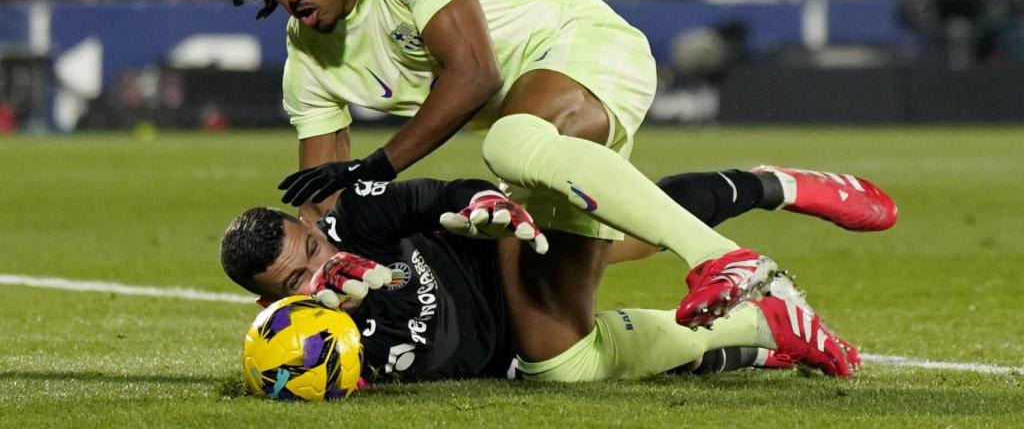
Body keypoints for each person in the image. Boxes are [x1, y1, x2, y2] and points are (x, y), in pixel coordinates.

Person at [221, 0, 896, 340]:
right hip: (537, 126)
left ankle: (722, 259)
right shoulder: (307, 59)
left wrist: (380, 166)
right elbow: (323, 206)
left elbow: (475, 74)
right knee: (556, 341)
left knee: (508, 144)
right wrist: (319, 277)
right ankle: (767, 221)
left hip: (588, 49)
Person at [221, 165, 882, 385]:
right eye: (296, 281)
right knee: (578, 368)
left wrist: (482, 202)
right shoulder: (306, 345)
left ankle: (771, 185)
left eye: (312, 249)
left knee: (633, 231)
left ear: (312, 226)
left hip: (508, 259)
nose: (320, 270)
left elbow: (437, 195)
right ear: (268, 304)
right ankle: (763, 334)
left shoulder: (358, 218)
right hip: (502, 354)